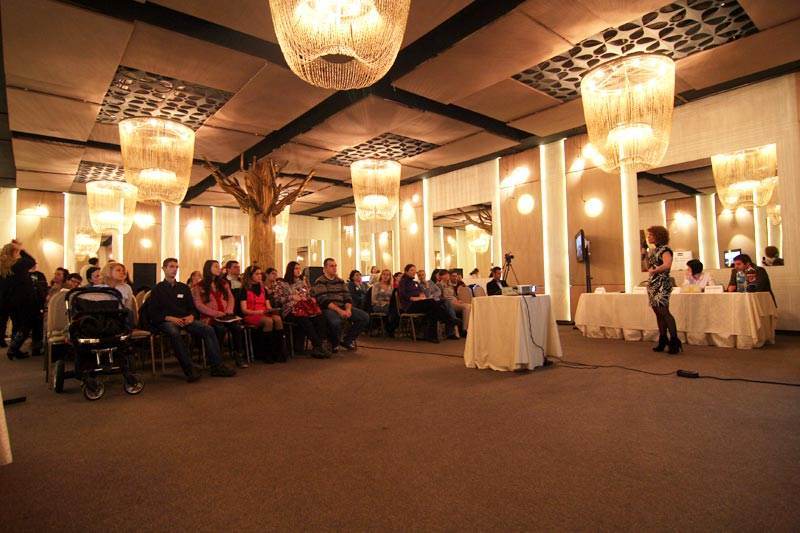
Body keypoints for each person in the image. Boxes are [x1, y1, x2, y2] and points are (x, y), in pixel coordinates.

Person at [148, 258, 236, 382]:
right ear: (164, 269)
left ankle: (217, 366)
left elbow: (193, 308)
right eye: (171, 266)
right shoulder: (158, 289)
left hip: (185, 319)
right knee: (174, 333)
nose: (174, 269)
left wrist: (191, 316)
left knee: (208, 329)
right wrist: (170, 318)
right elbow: (153, 312)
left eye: (176, 267)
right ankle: (189, 369)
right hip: (166, 320)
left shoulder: (183, 288)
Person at [193, 260, 248, 368]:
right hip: (209, 316)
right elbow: (199, 305)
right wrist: (215, 313)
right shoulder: (199, 286)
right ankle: (217, 357)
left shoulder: (223, 283)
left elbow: (231, 298)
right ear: (208, 269)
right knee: (220, 328)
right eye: (215, 267)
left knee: (237, 328)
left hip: (225, 314)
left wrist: (229, 309)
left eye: (218, 266)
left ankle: (238, 355)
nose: (219, 269)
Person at [274, 261, 330, 358]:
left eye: (299, 269)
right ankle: (318, 345)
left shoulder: (302, 283)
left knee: (320, 317)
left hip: (304, 309)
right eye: (296, 268)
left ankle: (318, 346)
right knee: (304, 320)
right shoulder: (281, 284)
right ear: (290, 270)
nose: (298, 271)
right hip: (290, 310)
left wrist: (308, 298)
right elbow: (277, 299)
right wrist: (291, 297)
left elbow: (308, 295)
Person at [312, 258, 368, 352]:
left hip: (342, 306)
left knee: (364, 317)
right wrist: (340, 311)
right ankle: (334, 343)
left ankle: (347, 340)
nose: (334, 268)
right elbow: (324, 300)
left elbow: (347, 297)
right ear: (325, 269)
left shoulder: (340, 281)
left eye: (335, 266)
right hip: (328, 308)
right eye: (331, 266)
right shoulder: (320, 281)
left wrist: (348, 309)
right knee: (336, 321)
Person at [397, 264, 456, 343]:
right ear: (406, 271)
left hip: (419, 303)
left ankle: (432, 336)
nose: (414, 272)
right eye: (411, 270)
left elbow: (422, 293)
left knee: (434, 310)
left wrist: (422, 296)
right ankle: (449, 320)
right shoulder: (403, 282)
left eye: (414, 270)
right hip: (409, 305)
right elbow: (402, 293)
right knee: (434, 303)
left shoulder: (415, 283)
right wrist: (412, 298)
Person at [240, 266, 288, 363]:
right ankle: (267, 353)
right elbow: (244, 310)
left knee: (278, 319)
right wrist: (259, 312)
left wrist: (272, 310)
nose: (260, 276)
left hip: (263, 312)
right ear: (250, 276)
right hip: (251, 314)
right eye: (256, 274)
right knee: (268, 321)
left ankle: (279, 352)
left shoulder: (263, 289)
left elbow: (268, 305)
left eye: (260, 274)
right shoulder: (245, 290)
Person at [646, 225, 681, 354]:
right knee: (658, 312)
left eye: (651, 235)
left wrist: (655, 270)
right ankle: (663, 338)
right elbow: (649, 266)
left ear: (658, 236)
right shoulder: (654, 250)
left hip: (662, 283)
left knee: (664, 312)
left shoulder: (665, 250)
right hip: (653, 283)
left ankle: (674, 341)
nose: (648, 237)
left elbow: (667, 265)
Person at [2, 241, 39, 359]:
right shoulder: (19, 264)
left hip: (9, 300)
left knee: (17, 324)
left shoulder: (3, 267)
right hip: (23, 299)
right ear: (14, 252)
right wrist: (22, 250)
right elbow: (32, 261)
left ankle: (14, 349)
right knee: (26, 324)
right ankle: (14, 348)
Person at [439, 270, 471, 334]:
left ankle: (466, 328)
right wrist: (452, 301)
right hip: (448, 303)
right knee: (466, 307)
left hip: (455, 301)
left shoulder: (450, 284)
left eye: (448, 274)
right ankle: (464, 330)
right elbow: (440, 297)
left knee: (469, 306)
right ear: (442, 276)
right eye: (446, 275)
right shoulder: (439, 284)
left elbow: (454, 295)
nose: (447, 276)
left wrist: (458, 300)